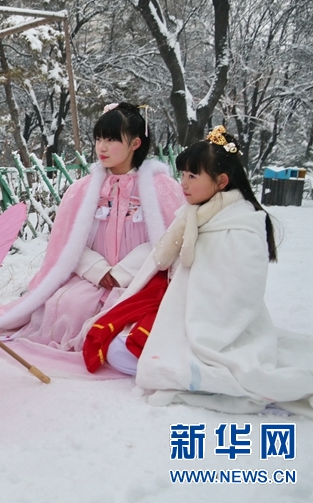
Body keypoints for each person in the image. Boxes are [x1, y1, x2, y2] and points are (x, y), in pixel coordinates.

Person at [82, 127, 313, 415]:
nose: (184, 183)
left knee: (138, 356)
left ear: (221, 181)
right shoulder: (195, 213)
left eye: (192, 176)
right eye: (183, 175)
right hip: (181, 310)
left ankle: (200, 373)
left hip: (214, 327)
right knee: (116, 346)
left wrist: (191, 322)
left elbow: (237, 296)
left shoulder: (240, 225)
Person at [0, 103, 184, 350]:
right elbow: (66, 243)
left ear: (135, 143)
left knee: (126, 313)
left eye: (111, 139)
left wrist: (123, 272)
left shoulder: (163, 188)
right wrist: (98, 270)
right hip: (90, 279)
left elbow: (170, 241)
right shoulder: (83, 189)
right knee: (67, 305)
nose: (101, 146)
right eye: (98, 138)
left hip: (141, 278)